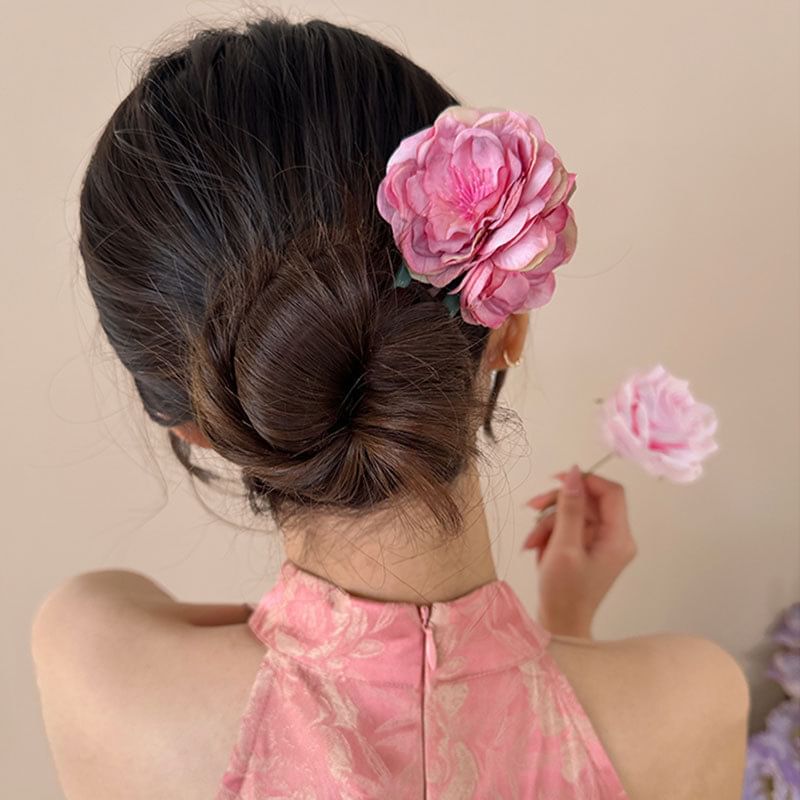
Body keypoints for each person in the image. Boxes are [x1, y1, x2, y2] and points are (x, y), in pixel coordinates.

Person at [30, 13, 749, 799]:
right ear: (507, 322)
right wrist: (566, 629)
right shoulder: (692, 707)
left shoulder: (95, 657)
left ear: (194, 422)